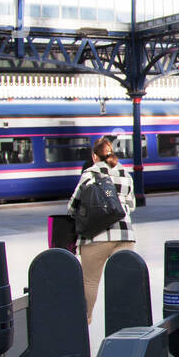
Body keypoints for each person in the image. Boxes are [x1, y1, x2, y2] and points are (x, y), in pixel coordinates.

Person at [67, 135, 136, 322]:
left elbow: (72, 206)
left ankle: (84, 322)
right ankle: (125, 324)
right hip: (124, 236)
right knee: (122, 282)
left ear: (94, 156)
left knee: (90, 282)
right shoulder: (125, 175)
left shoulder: (89, 174)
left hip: (94, 237)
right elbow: (131, 205)